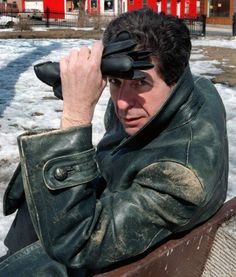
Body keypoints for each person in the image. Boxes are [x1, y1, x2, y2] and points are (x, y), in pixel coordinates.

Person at [0, 8, 228, 276]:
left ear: (175, 79)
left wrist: (76, 113)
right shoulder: (189, 92)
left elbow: (79, 245)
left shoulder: (180, 179)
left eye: (140, 83)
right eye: (115, 81)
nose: (121, 103)